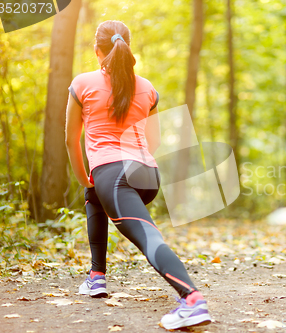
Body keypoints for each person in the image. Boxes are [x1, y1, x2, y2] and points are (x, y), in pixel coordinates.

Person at [64, 20, 211, 330]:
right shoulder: (148, 88)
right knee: (95, 195)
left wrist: (84, 176)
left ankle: (192, 300)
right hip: (147, 175)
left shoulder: (82, 83)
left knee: (148, 236)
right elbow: (153, 142)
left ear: (96, 51)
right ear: (127, 48)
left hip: (113, 174)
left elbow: (70, 140)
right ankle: (96, 277)